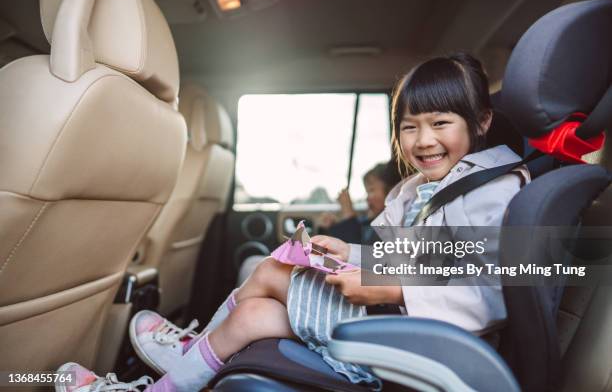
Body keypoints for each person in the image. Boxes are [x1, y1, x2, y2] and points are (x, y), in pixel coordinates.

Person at [55, 53, 529, 392]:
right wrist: (350, 255)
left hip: (422, 343)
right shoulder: (418, 189)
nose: (423, 140)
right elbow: (415, 258)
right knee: (252, 315)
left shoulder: (496, 190)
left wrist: (392, 289)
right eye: (409, 126)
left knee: (269, 273)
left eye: (441, 123)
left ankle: (189, 349)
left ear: (481, 121)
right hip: (393, 318)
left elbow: (495, 289)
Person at [318, 161, 401, 244]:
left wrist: (348, 214)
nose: (367, 198)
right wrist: (333, 226)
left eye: (371, 190)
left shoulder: (392, 224)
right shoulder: (371, 220)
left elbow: (360, 252)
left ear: (391, 191)